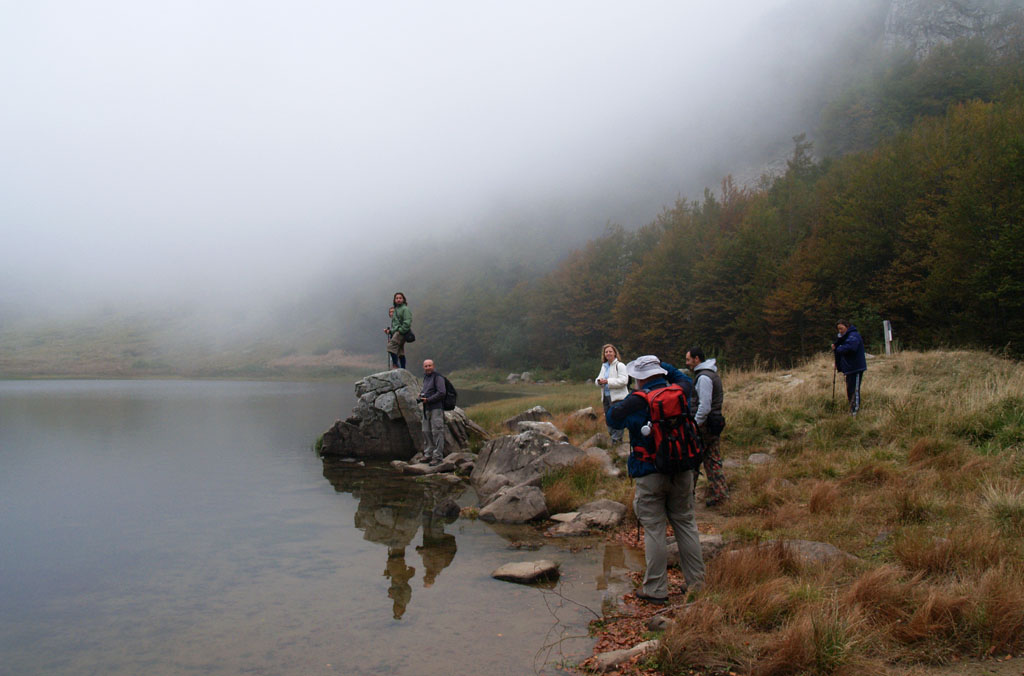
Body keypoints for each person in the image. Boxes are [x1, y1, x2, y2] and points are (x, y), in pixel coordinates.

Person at [606, 355, 705, 605]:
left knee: (655, 529)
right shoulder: (680, 391)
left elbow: (612, 418)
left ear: (640, 378)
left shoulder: (636, 401)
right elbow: (682, 377)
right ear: (661, 373)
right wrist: (662, 365)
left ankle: (656, 588)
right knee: (686, 524)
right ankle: (697, 584)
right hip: (683, 469)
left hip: (649, 472)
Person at [686, 347, 728, 507]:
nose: (687, 363)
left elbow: (704, 406)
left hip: (704, 426)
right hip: (713, 424)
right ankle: (721, 495)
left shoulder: (703, 377)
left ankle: (687, 499)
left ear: (697, 359)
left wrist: (694, 425)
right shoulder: (711, 374)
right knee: (713, 460)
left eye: (689, 359)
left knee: (692, 460)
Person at [594, 344, 629, 443]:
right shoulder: (604, 366)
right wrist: (599, 382)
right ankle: (613, 438)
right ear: (604, 354)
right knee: (608, 419)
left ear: (615, 353)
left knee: (617, 418)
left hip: (618, 398)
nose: (608, 353)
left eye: (610, 351)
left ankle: (617, 440)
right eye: (606, 352)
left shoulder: (620, 365)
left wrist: (608, 381)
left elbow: (624, 381)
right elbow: (597, 380)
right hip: (606, 397)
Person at [833, 320, 866, 416]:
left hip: (855, 367)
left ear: (847, 326)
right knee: (850, 389)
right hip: (849, 368)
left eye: (841, 328)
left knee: (854, 390)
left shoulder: (853, 336)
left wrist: (837, 348)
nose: (840, 331)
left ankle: (855, 411)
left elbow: (851, 348)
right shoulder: (845, 337)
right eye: (838, 329)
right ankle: (852, 409)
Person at [419, 359, 447, 466]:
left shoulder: (438, 377)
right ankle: (428, 454)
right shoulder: (425, 378)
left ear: (433, 366)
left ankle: (438, 457)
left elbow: (442, 393)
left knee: (437, 432)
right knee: (426, 431)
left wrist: (428, 399)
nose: (428, 368)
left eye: (429, 365)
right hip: (426, 409)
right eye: (426, 366)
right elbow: (426, 391)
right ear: (423, 367)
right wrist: (421, 396)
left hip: (436, 408)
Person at [385, 292, 412, 370]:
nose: (398, 299)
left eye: (400, 298)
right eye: (396, 298)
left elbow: (407, 322)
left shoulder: (405, 309)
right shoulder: (396, 309)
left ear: (403, 299)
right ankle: (403, 368)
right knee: (400, 351)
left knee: (390, 346)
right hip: (397, 331)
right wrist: (390, 331)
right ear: (394, 300)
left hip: (400, 332)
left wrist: (400, 331)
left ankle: (396, 365)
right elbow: (395, 323)